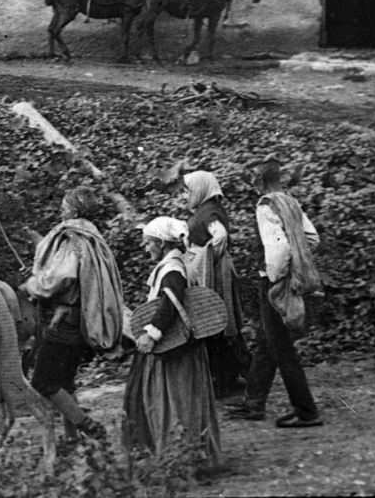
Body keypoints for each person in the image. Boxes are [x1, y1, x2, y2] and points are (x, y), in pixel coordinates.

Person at [20, 186, 123, 440]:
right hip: (81, 319)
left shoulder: (71, 237)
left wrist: (31, 285)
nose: (61, 210)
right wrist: (39, 241)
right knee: (65, 382)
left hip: (62, 322)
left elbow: (61, 277)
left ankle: (87, 426)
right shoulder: (90, 236)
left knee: (44, 382)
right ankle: (71, 439)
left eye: (65, 206)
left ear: (74, 209)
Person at [227, 157, 323, 427]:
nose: (250, 183)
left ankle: (307, 411)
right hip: (286, 279)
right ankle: (253, 403)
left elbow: (278, 248)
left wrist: (276, 276)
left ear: (259, 180)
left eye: (251, 178)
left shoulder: (266, 205)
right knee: (268, 342)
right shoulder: (289, 201)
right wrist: (298, 260)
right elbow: (312, 238)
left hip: (275, 283)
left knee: (281, 348)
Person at [123, 216, 222, 467]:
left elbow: (171, 303)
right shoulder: (175, 264)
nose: (146, 249)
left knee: (174, 401)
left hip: (175, 349)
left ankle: (179, 456)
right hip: (179, 347)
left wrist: (152, 334)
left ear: (161, 243)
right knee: (174, 399)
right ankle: (179, 453)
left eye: (148, 243)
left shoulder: (172, 270)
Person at [181, 170, 250, 399]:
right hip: (210, 271)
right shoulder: (206, 209)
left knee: (216, 323)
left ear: (202, 188)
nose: (187, 194)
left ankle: (226, 380)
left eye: (190, 189)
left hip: (214, 274)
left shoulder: (210, 212)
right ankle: (230, 376)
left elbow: (219, 237)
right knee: (216, 323)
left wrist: (204, 257)